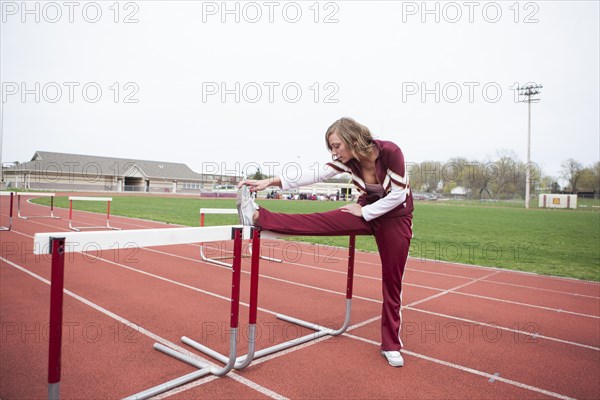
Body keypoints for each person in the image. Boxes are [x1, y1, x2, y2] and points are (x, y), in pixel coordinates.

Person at [237, 117, 413, 367]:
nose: (333, 152)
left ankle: (391, 344)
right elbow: (313, 174)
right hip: (365, 210)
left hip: (395, 217)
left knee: (392, 283)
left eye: (336, 145)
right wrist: (270, 182)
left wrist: (364, 213)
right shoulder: (347, 161)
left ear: (353, 139)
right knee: (318, 221)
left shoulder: (391, 151)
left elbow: (397, 195)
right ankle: (256, 216)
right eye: (330, 147)